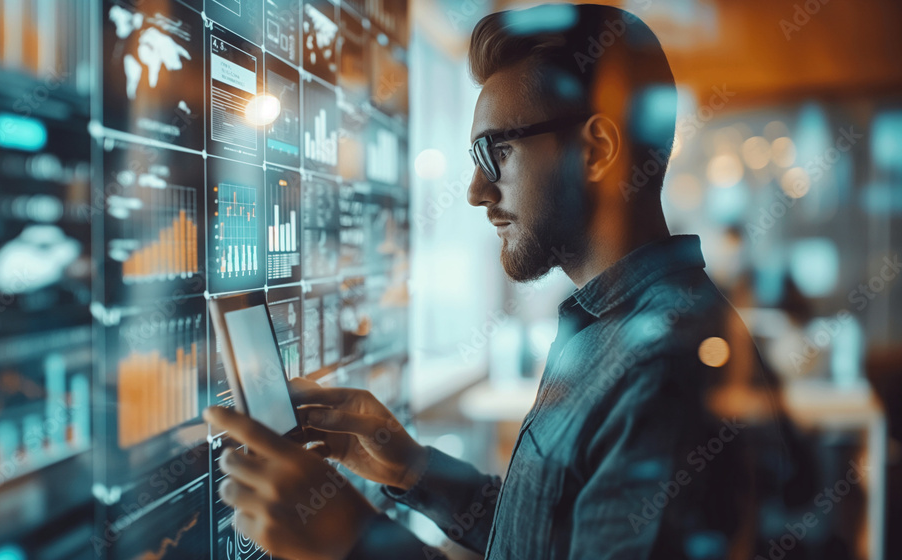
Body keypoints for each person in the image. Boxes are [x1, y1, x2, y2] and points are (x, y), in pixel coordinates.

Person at [203, 4, 797, 559]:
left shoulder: (661, 370)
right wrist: (413, 468)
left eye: (495, 153)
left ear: (597, 151)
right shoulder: (608, 325)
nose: (475, 192)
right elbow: (553, 534)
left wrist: (350, 539)